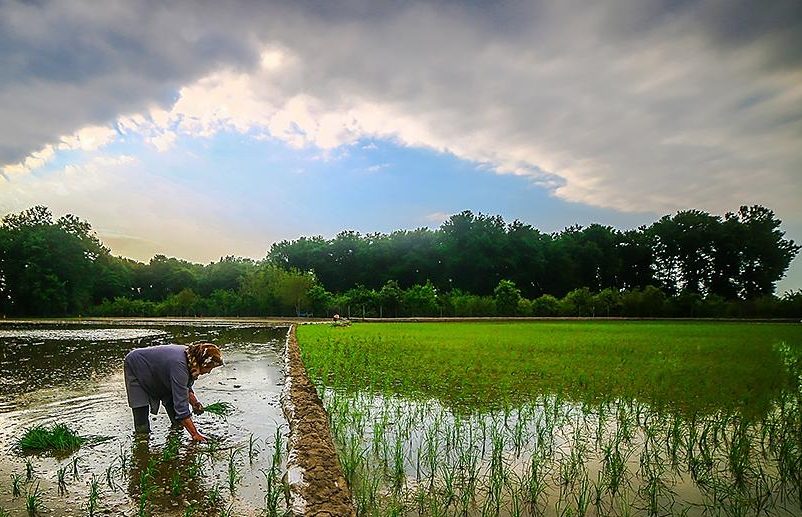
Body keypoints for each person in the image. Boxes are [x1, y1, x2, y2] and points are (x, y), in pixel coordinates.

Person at [123, 341, 223, 442]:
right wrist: (195, 434)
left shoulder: (191, 358)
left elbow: (185, 387)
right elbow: (181, 406)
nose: (209, 372)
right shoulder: (180, 365)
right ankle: (142, 443)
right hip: (136, 365)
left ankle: (176, 432)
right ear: (202, 363)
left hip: (160, 372)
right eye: (209, 368)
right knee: (141, 416)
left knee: (178, 421)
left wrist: (195, 403)